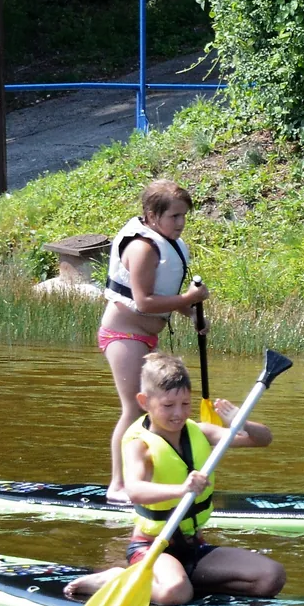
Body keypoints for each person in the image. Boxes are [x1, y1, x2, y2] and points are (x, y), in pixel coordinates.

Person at [64, 351, 283, 606]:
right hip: (152, 548)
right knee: (176, 593)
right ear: (144, 401)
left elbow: (262, 439)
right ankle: (116, 579)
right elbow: (135, 490)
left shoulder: (199, 431)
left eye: (185, 404)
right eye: (168, 406)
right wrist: (181, 489)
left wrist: (242, 421)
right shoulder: (139, 444)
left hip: (193, 547)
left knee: (271, 577)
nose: (178, 413)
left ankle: (183, 580)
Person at [98, 180, 210, 501]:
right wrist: (188, 299)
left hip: (146, 336)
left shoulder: (167, 242)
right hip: (123, 335)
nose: (181, 222)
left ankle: (148, 480)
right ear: (151, 215)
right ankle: (118, 486)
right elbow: (144, 302)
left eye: (183, 215)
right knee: (134, 409)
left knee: (153, 411)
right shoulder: (143, 248)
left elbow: (165, 294)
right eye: (174, 216)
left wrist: (192, 314)